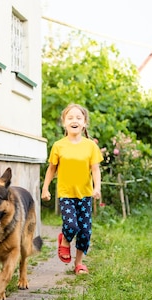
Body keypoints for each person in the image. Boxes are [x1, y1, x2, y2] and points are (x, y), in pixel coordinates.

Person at [41, 104, 103, 274]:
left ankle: (79, 263)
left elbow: (95, 169)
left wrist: (97, 188)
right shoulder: (59, 146)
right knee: (71, 225)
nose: (74, 120)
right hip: (66, 194)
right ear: (64, 123)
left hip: (85, 195)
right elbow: (51, 169)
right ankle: (65, 240)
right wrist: (45, 188)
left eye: (78, 118)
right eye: (70, 117)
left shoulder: (90, 146)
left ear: (84, 123)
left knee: (84, 231)